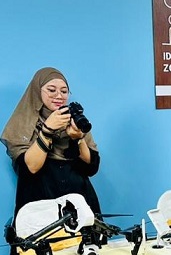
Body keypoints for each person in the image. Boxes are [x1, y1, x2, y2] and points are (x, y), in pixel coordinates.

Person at [1, 67, 102, 218]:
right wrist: (47, 130)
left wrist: (78, 138)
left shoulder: (75, 120)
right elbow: (30, 169)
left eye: (64, 91)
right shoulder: (22, 123)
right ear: (37, 91)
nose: (59, 96)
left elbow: (91, 168)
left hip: (81, 205)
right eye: (51, 90)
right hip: (39, 207)